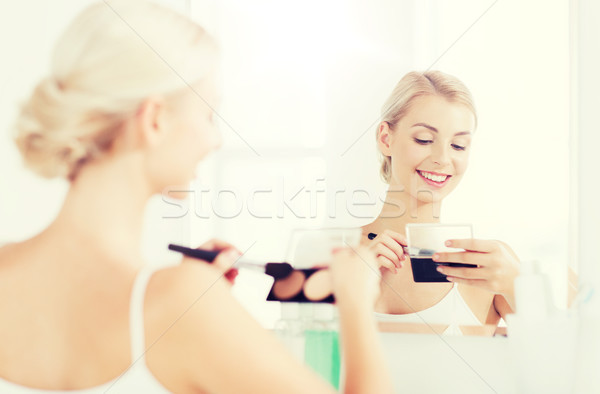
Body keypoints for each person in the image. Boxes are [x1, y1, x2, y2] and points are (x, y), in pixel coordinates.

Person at [0, 1, 393, 393]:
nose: (214, 139)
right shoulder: (180, 303)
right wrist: (357, 302)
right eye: (208, 115)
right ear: (155, 119)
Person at [361, 71, 521, 334]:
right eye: (424, 140)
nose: (442, 159)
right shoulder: (334, 255)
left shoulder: (489, 265)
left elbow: (560, 363)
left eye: (458, 146)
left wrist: (520, 286)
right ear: (386, 139)